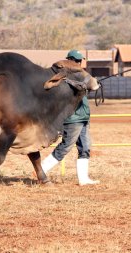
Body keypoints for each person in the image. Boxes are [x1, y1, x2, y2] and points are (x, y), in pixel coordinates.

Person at [41, 49, 100, 186]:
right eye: (76, 60)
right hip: (73, 118)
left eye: (79, 61)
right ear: (70, 60)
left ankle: (83, 179)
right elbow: (78, 88)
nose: (79, 63)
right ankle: (41, 171)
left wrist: (92, 84)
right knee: (66, 147)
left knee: (85, 148)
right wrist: (91, 84)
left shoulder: (79, 75)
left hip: (83, 116)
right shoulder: (65, 76)